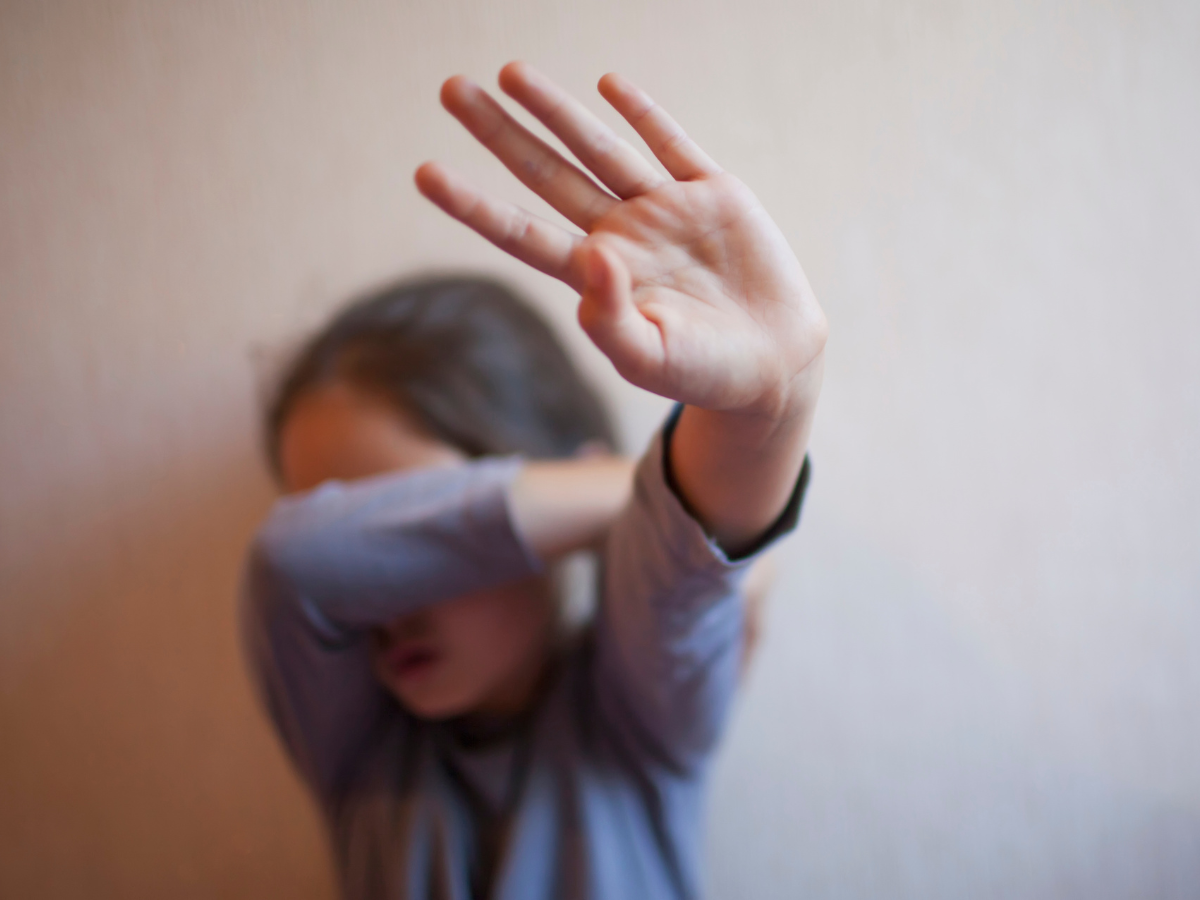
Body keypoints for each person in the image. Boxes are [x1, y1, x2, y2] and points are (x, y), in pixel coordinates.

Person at [241, 62, 827, 900]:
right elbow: (292, 566)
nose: (375, 601)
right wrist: (627, 494)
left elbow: (676, 588)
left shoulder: (636, 720)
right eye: (371, 539)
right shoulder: (358, 755)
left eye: (413, 524)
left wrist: (769, 402)